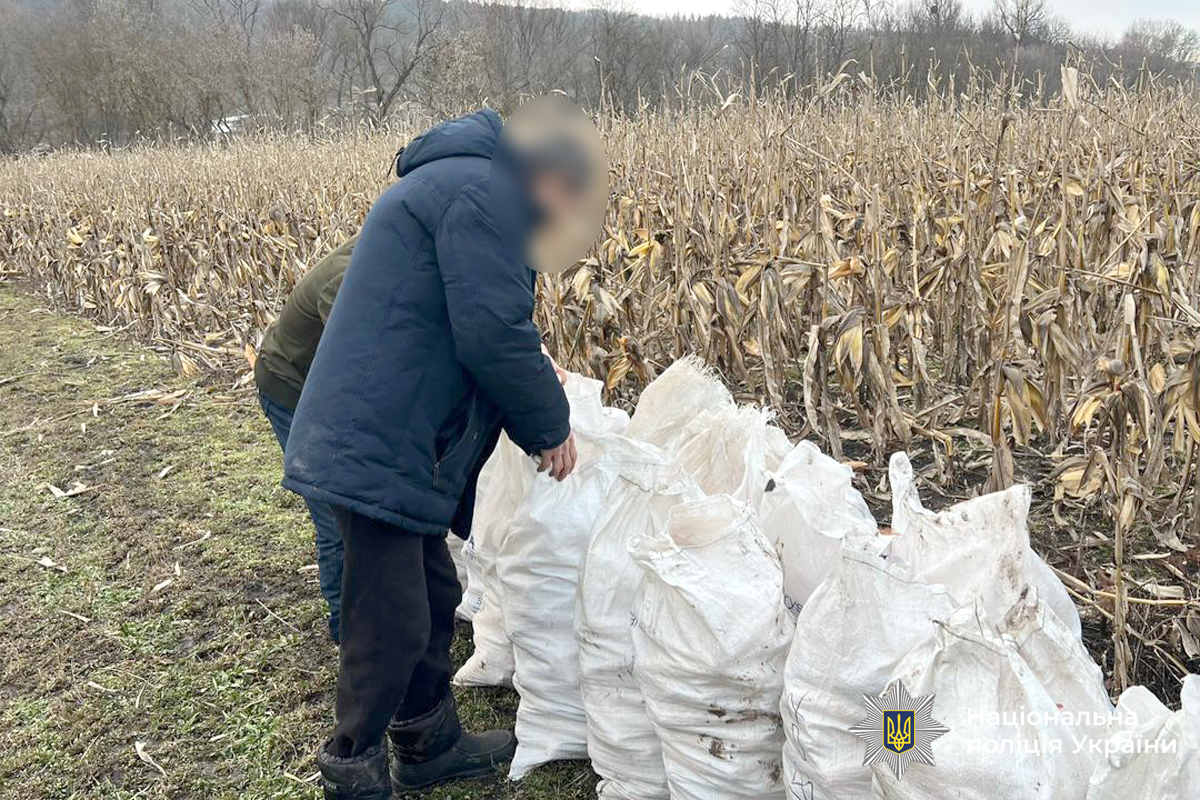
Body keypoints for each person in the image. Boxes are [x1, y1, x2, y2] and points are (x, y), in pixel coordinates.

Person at [282, 108, 593, 798]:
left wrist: (530, 370)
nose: (554, 223)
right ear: (546, 176)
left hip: (393, 433)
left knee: (430, 592)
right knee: (387, 618)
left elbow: (466, 315)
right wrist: (549, 425)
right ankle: (352, 767)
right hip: (377, 440)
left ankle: (429, 744)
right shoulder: (484, 194)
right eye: (563, 204)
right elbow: (491, 331)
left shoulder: (465, 185)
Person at [255, 235, 358, 644]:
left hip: (323, 386)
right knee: (332, 504)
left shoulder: (385, 255)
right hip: (290, 386)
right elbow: (355, 357)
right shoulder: (347, 277)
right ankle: (344, 628)